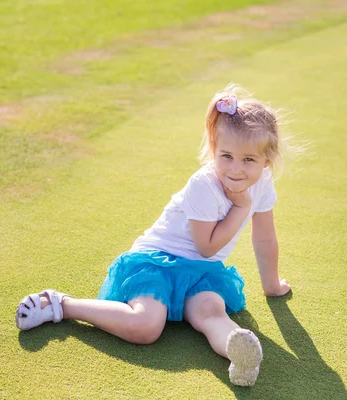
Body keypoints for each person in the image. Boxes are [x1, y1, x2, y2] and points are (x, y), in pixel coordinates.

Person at [15, 83, 291, 387]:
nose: (235, 169)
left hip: (202, 273)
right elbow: (207, 245)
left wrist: (272, 285)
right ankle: (61, 305)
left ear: (266, 161)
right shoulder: (205, 184)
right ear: (214, 148)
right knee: (146, 327)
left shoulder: (262, 183)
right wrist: (240, 208)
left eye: (249, 160)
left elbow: (264, 237)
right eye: (226, 155)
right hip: (158, 261)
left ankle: (237, 354)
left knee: (212, 311)